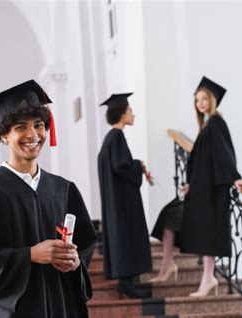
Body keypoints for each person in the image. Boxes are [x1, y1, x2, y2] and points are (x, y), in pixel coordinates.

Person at [0, 80, 97, 317]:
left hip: (59, 305)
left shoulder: (64, 190)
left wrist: (75, 263)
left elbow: (83, 247)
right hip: (13, 309)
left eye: (39, 125)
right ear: (4, 136)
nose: (32, 135)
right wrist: (31, 255)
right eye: (20, 127)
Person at [180, 76, 242, 297]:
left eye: (204, 98)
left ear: (212, 100)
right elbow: (201, 159)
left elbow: (224, 152)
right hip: (202, 188)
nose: (200, 102)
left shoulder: (216, 122)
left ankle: (208, 279)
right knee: (203, 233)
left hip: (212, 189)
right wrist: (190, 183)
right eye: (197, 99)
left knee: (209, 234)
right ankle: (208, 277)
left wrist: (235, 177)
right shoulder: (207, 125)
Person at [97, 93, 152, 298]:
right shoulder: (117, 136)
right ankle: (127, 283)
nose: (133, 114)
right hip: (123, 202)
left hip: (116, 201)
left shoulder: (109, 139)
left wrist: (135, 164)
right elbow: (121, 166)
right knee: (127, 235)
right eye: (129, 110)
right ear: (121, 113)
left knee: (123, 235)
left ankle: (127, 281)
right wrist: (137, 165)